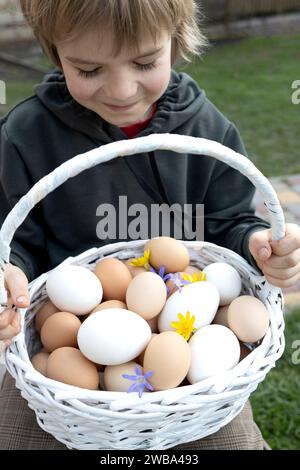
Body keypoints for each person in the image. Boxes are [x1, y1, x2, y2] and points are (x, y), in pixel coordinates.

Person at [0, 0, 299, 450]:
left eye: (144, 62)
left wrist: (257, 243)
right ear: (56, 53)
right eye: (88, 69)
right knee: (17, 434)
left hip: (192, 375)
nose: (121, 90)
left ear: (175, 42)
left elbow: (229, 223)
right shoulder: (26, 136)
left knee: (231, 444)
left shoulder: (204, 129)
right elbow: (14, 241)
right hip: (62, 374)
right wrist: (9, 275)